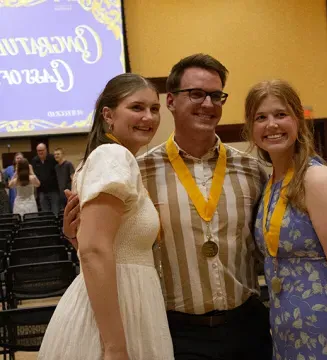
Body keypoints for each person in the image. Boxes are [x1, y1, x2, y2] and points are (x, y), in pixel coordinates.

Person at [63, 54, 272, 360]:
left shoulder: (253, 170)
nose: (208, 104)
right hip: (178, 332)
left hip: (246, 326)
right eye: (196, 94)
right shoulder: (137, 170)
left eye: (216, 95)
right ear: (172, 101)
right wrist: (75, 237)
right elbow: (109, 242)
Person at [38, 73, 174, 360]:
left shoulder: (108, 158)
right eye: (136, 107)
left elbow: (97, 246)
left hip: (121, 300)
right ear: (108, 115)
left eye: (154, 108)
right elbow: (95, 251)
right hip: (119, 311)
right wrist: (115, 347)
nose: (148, 117)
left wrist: (76, 238)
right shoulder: (113, 156)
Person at [244, 79, 327, 359]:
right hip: (287, 335)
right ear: (250, 128)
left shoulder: (317, 178)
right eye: (261, 117)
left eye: (281, 115)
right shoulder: (272, 181)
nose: (271, 125)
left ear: (298, 121)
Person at [31, 143, 60, 214]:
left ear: (46, 150)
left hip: (54, 191)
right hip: (41, 192)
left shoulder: (53, 158)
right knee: (45, 213)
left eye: (42, 150)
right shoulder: (34, 160)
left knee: (55, 212)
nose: (40, 152)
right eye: (38, 151)